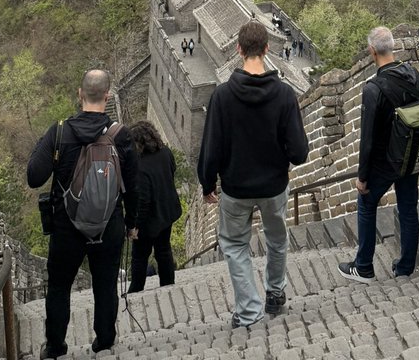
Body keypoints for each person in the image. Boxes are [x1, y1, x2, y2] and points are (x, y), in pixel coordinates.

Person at [197, 20, 309, 328]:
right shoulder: (285, 95)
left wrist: (208, 183)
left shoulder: (222, 97)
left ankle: (248, 312)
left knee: (235, 246)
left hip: (235, 189)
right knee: (276, 239)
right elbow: (299, 152)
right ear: (267, 49)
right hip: (274, 186)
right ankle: (275, 294)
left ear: (238, 49)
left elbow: (211, 148)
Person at [27, 69, 138, 358]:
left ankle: (55, 346)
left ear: (80, 94)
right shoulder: (121, 135)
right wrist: (131, 223)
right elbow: (133, 187)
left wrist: (45, 146)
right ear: (107, 96)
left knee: (60, 287)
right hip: (108, 224)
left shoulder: (60, 132)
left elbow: (34, 176)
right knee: (105, 284)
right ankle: (104, 343)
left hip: (67, 227)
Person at [338, 26, 419, 283]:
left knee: (367, 205)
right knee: (407, 207)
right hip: (411, 155)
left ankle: (364, 267)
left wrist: (362, 176)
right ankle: (405, 267)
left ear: (372, 51)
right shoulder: (414, 75)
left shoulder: (373, 88)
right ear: (392, 47)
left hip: (385, 161)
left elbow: (367, 138)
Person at [127, 121, 182, 293]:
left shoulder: (140, 166)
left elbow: (143, 201)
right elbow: (172, 171)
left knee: (139, 256)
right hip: (167, 212)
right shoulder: (166, 153)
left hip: (150, 220)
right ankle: (168, 285)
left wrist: (135, 226)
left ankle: (136, 290)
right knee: (163, 249)